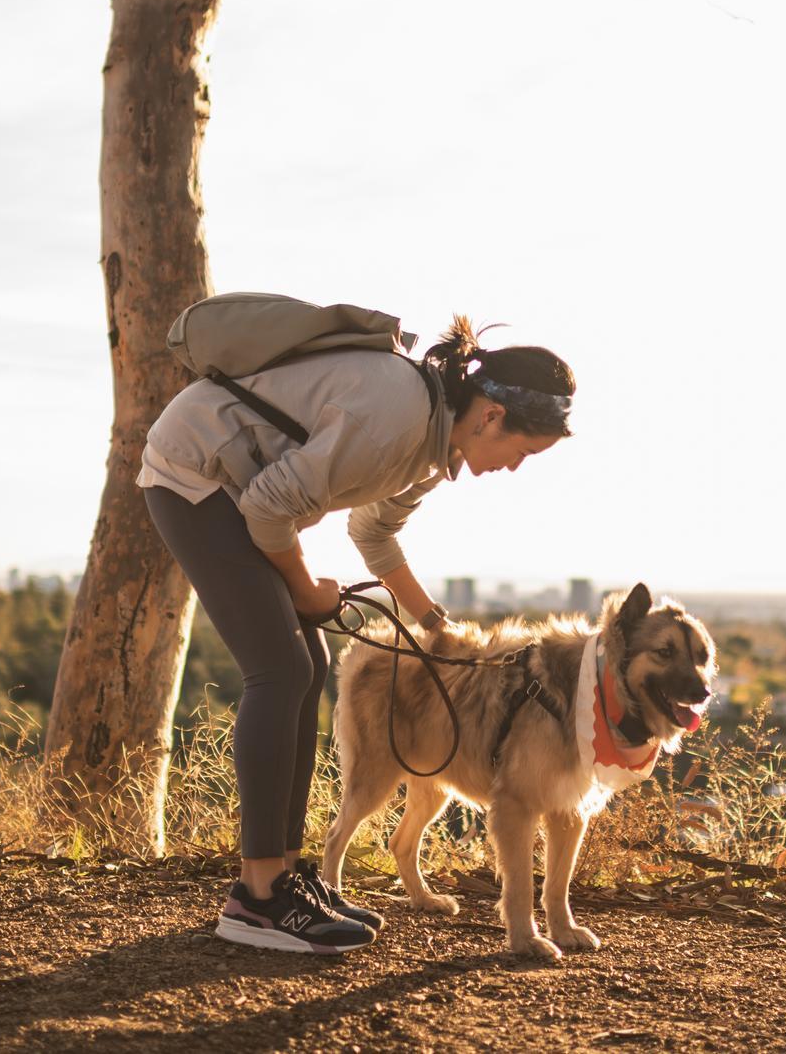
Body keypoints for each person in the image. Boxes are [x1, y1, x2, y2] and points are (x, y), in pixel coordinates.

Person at [136, 313, 575, 953]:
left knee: (307, 666)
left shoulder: (431, 450)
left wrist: (431, 621)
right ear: (490, 417)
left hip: (237, 488)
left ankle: (285, 878)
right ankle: (257, 898)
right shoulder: (395, 416)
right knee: (279, 670)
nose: (514, 468)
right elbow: (267, 506)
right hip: (193, 472)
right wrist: (307, 586)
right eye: (523, 453)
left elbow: (373, 534)